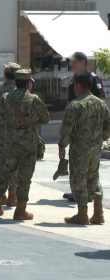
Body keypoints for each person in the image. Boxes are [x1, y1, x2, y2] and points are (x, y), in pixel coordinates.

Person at [0, 69, 50, 220]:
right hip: (28, 146)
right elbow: (46, 118)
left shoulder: (5, 98)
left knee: (5, 174)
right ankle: (20, 211)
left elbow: (2, 115)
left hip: (10, 144)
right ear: (29, 83)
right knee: (24, 178)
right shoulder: (33, 99)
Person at [59, 71, 110, 225]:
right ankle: (98, 213)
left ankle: (82, 214)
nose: (74, 87)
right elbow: (108, 126)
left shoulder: (75, 105)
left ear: (80, 85)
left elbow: (66, 129)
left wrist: (62, 146)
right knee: (94, 178)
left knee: (78, 178)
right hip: (95, 148)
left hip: (79, 149)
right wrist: (101, 139)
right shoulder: (101, 104)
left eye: (75, 84)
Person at [64, 52, 105, 202]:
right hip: (76, 132)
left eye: (74, 62)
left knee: (90, 168)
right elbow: (70, 103)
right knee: (77, 167)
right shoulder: (73, 80)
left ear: (82, 62)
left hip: (90, 132)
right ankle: (78, 191)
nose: (71, 65)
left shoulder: (93, 79)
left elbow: (101, 102)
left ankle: (86, 196)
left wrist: (101, 133)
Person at [0, 62, 21, 207]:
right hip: (15, 136)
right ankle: (13, 196)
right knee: (15, 166)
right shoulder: (20, 93)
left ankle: (0, 195)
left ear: (5, 75)